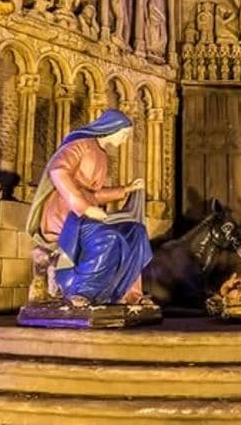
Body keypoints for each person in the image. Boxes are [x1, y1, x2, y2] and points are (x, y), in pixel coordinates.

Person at [26, 110, 154, 306]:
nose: (126, 138)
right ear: (112, 128)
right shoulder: (79, 145)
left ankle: (129, 294)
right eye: (124, 133)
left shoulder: (101, 155)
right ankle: (81, 292)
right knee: (108, 237)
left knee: (136, 232)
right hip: (66, 213)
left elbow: (93, 193)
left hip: (86, 214)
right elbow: (58, 170)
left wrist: (126, 189)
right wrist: (84, 207)